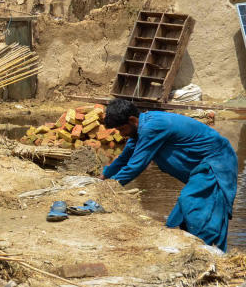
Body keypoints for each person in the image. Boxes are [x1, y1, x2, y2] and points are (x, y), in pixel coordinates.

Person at [101, 98, 237, 251]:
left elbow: (136, 165)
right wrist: (103, 178)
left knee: (199, 208)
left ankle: (209, 254)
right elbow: (124, 158)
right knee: (182, 216)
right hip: (201, 167)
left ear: (132, 120)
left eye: (122, 129)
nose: (122, 134)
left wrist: (109, 188)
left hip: (215, 163)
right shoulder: (139, 130)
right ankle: (193, 249)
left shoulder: (152, 127)